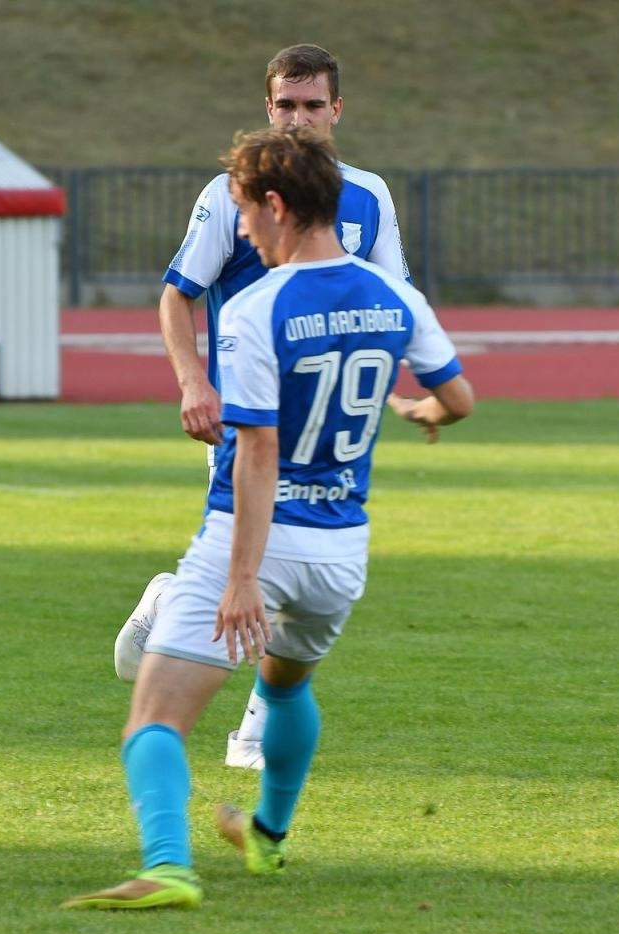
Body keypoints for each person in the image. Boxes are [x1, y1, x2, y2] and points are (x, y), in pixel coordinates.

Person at [66, 125, 474, 911]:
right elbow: (459, 400)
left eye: (246, 213)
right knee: (284, 689)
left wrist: (242, 579)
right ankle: (268, 837)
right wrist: (419, 407)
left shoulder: (258, 307)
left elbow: (258, 453)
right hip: (343, 551)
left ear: (278, 207)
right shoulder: (396, 296)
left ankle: (167, 868)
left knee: (152, 718)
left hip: (254, 541)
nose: (242, 229)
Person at [114, 43, 415, 773]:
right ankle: (251, 724)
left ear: (337, 110)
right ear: (268, 108)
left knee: (293, 562)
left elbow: (396, 300)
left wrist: (406, 385)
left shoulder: (369, 197)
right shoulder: (231, 194)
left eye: (314, 105)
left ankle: (183, 620)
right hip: (249, 417)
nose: (301, 119)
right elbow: (177, 294)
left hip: (327, 429)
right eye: (287, 105)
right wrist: (193, 382)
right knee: (263, 552)